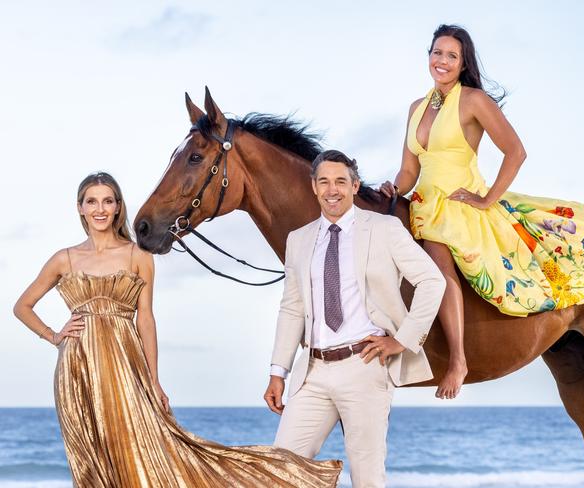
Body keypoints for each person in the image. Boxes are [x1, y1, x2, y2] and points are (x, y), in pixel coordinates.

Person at [13, 171, 341, 488]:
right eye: (92, 202)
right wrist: (55, 336)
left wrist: (153, 381)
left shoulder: (137, 254)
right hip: (77, 369)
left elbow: (146, 318)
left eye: (108, 201)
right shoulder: (64, 259)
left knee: (144, 445)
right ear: (80, 207)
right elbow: (22, 306)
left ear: (118, 207)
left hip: (125, 367)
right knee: (89, 455)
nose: (100, 209)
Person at [380, 24, 584, 400]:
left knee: (438, 268)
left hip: (458, 205)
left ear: (462, 64)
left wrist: (487, 199)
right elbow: (410, 170)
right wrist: (395, 186)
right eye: (437, 53)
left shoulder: (473, 101)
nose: (442, 61)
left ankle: (458, 360)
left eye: (451, 56)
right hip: (424, 204)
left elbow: (516, 151)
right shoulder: (416, 107)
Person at [264, 150, 446, 488]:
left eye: (340, 182)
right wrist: (278, 372)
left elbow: (433, 281)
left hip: (364, 366)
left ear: (354, 185)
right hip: (313, 373)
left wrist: (402, 340)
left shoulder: (384, 228)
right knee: (281, 471)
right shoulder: (298, 240)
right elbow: (291, 307)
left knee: (367, 477)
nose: (332, 190)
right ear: (313, 187)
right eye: (324, 182)